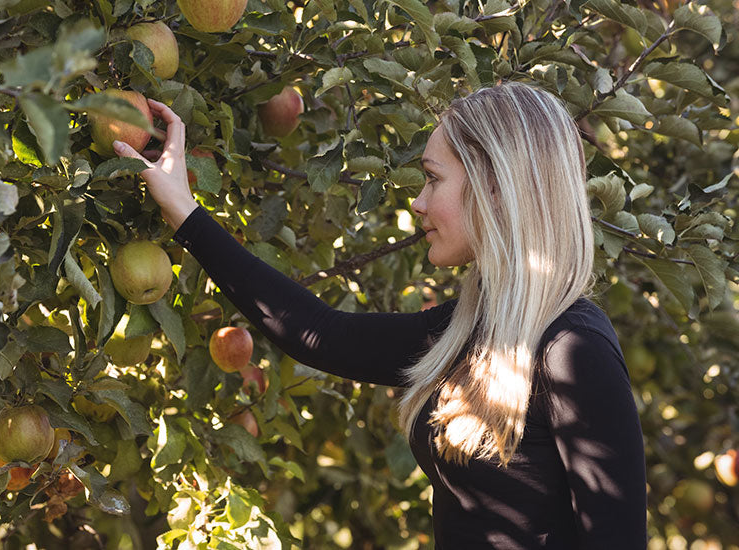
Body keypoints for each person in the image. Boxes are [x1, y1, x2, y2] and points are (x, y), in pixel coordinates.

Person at [112, 81, 648, 549]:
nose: (417, 202)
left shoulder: (572, 351)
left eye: (433, 179)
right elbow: (323, 333)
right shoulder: (474, 333)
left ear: (493, 187)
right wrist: (182, 209)